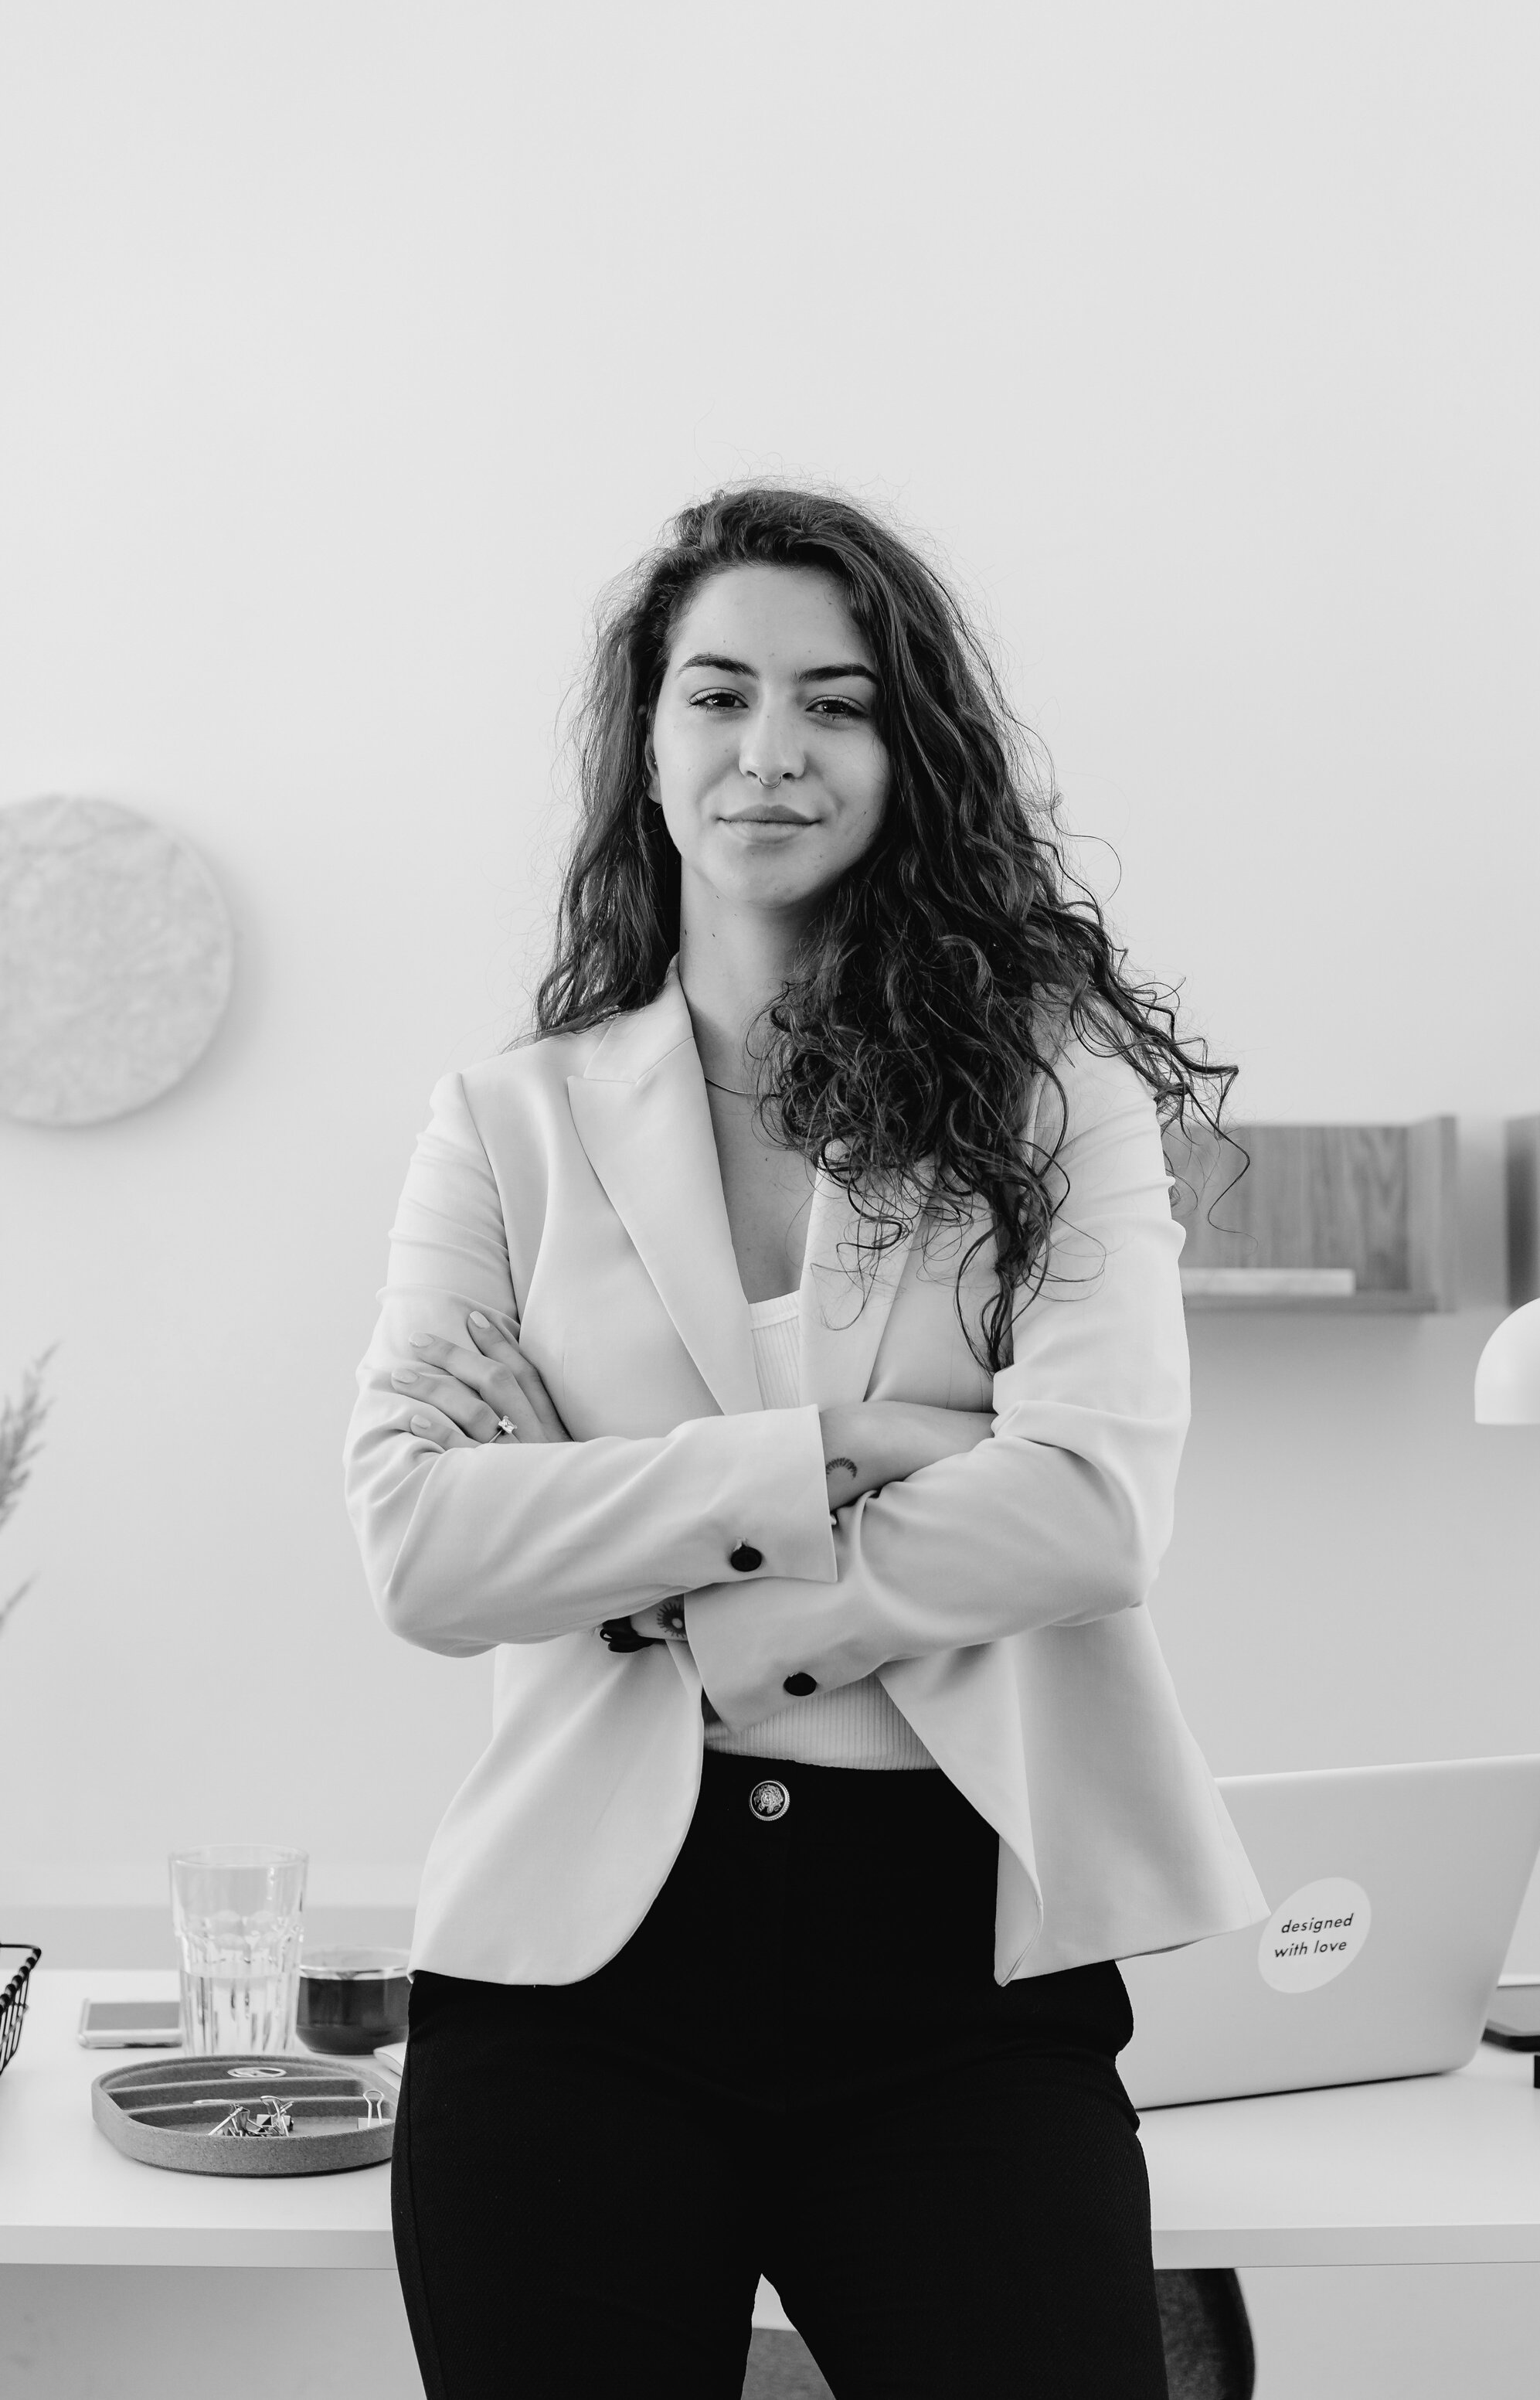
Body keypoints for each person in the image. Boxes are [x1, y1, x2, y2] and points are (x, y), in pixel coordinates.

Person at [344, 485, 1267, 2399]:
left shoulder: (1054, 1099)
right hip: (568, 1985)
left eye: (835, 703)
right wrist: (851, 1437)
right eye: (721, 695)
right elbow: (426, 1553)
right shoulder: (504, 1124)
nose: (772, 751)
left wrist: (636, 1560)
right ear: (651, 745)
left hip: (959, 1983)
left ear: (903, 755)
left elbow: (1089, 1515)